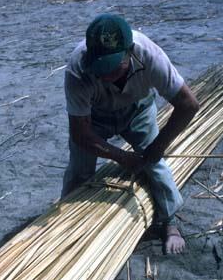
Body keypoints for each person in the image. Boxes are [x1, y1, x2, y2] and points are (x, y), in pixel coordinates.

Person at [61, 13, 200, 254]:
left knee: (156, 167)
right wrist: (122, 158)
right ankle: (65, 221)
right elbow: (80, 132)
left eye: (113, 68)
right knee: (78, 170)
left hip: (138, 110)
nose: (106, 76)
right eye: (100, 69)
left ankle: (170, 222)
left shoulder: (149, 54)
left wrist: (157, 147)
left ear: (130, 51)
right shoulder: (78, 69)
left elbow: (188, 104)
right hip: (95, 117)